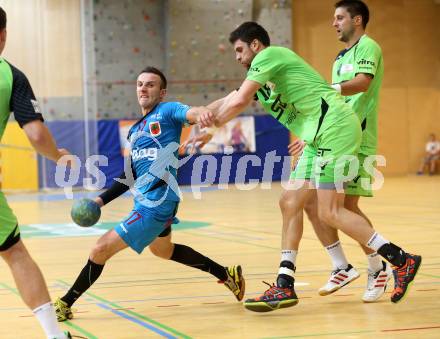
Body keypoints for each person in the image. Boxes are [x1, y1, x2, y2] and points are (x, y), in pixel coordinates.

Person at [193, 21, 421, 312]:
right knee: (289, 201)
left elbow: (237, 102)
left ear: (255, 45)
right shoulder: (263, 81)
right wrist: (198, 115)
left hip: (335, 128)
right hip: (317, 137)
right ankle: (285, 285)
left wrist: (212, 129)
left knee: (330, 211)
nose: (237, 58)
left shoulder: (269, 56)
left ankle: (401, 259)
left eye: (239, 50)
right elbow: (225, 100)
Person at [54, 67, 245, 322]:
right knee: (163, 251)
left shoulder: (167, 112)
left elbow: (192, 112)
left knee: (99, 250)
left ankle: (65, 303)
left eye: (150, 85)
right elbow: (130, 173)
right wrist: (100, 200)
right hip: (149, 200)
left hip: (155, 203)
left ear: (161, 92)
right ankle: (225, 273)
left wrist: (202, 113)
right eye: (140, 84)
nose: (143, 88)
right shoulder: (135, 131)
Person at [289, 0, 392, 303]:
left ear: (357, 20)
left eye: (339, 18)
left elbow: (361, 84)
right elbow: (335, 105)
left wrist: (325, 89)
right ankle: (342, 265)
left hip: (357, 139)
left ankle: (376, 267)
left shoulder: (369, 47)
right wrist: (313, 135)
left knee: (343, 209)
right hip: (333, 138)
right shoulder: (339, 58)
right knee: (310, 203)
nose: (334, 23)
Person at [0, 7, 72, 339]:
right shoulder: (11, 76)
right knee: (14, 252)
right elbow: (37, 135)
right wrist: (58, 156)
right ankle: (56, 336)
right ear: (3, 36)